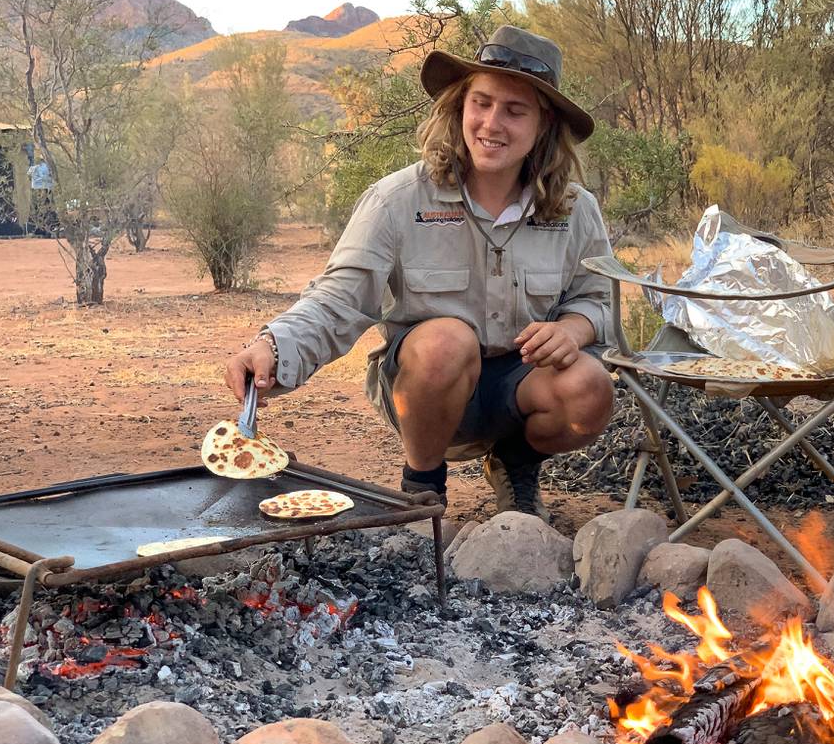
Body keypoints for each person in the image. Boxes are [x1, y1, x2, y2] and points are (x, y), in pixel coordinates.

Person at [223, 26, 616, 520]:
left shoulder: (575, 210)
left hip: (522, 386)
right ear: (459, 107)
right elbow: (339, 297)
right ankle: (422, 484)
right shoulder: (397, 199)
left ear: (544, 125)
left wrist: (572, 329)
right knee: (446, 341)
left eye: (516, 111)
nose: (493, 123)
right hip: (425, 388)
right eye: (482, 103)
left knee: (590, 386)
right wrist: (274, 346)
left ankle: (516, 463)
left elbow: (599, 301)